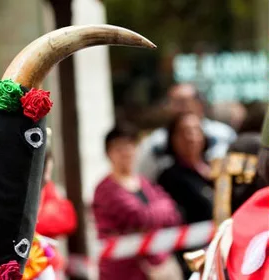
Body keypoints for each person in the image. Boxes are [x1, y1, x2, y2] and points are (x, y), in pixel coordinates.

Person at [93, 125, 183, 280]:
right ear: (109, 153)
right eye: (120, 149)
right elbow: (139, 217)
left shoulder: (145, 182)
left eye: (130, 147)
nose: (126, 153)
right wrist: (158, 213)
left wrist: (152, 217)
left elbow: (173, 213)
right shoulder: (105, 189)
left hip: (155, 266)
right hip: (123, 271)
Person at [136, 83, 237, 181]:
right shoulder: (155, 142)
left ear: (199, 104)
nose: (179, 108)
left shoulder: (224, 134)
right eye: (173, 102)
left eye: (183, 102)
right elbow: (142, 178)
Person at [157, 113, 214, 224]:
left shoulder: (216, 167)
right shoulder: (169, 178)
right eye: (184, 132)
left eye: (196, 130)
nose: (191, 137)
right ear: (172, 138)